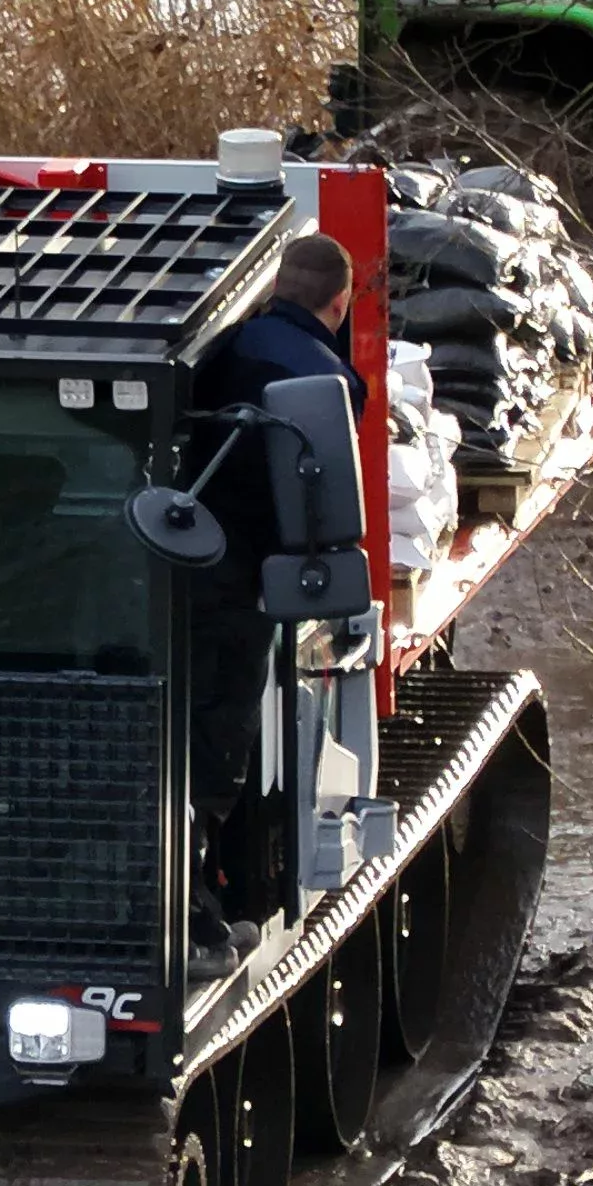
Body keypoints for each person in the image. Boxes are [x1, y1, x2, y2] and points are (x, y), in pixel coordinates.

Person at [185, 233, 365, 944]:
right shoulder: (324, 383)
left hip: (174, 554)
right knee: (215, 744)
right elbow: (318, 514)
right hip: (236, 587)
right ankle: (195, 910)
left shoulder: (222, 346)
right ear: (340, 299)